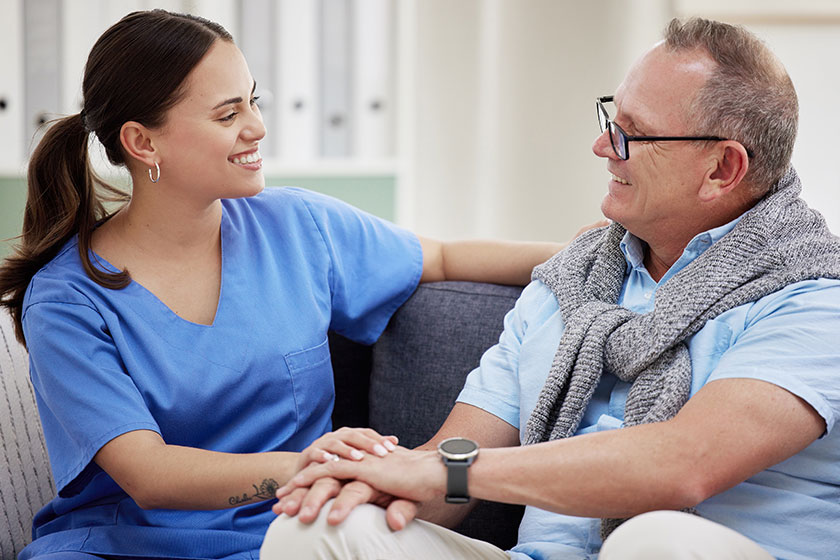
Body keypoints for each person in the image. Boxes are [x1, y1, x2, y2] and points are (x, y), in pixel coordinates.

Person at [0, 10, 583, 560]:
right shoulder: (66, 300)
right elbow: (148, 475)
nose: (257, 127)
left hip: (290, 536)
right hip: (125, 545)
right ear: (143, 142)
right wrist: (308, 464)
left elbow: (444, 257)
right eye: (227, 115)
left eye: (254, 102)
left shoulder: (298, 227)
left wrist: (594, 249)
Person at [268, 17, 840, 560]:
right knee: (317, 527)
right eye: (610, 120)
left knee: (653, 538)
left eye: (632, 134)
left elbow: (684, 464)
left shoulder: (814, 296)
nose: (602, 147)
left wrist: (451, 472)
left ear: (722, 169)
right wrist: (373, 482)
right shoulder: (573, 283)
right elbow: (453, 460)